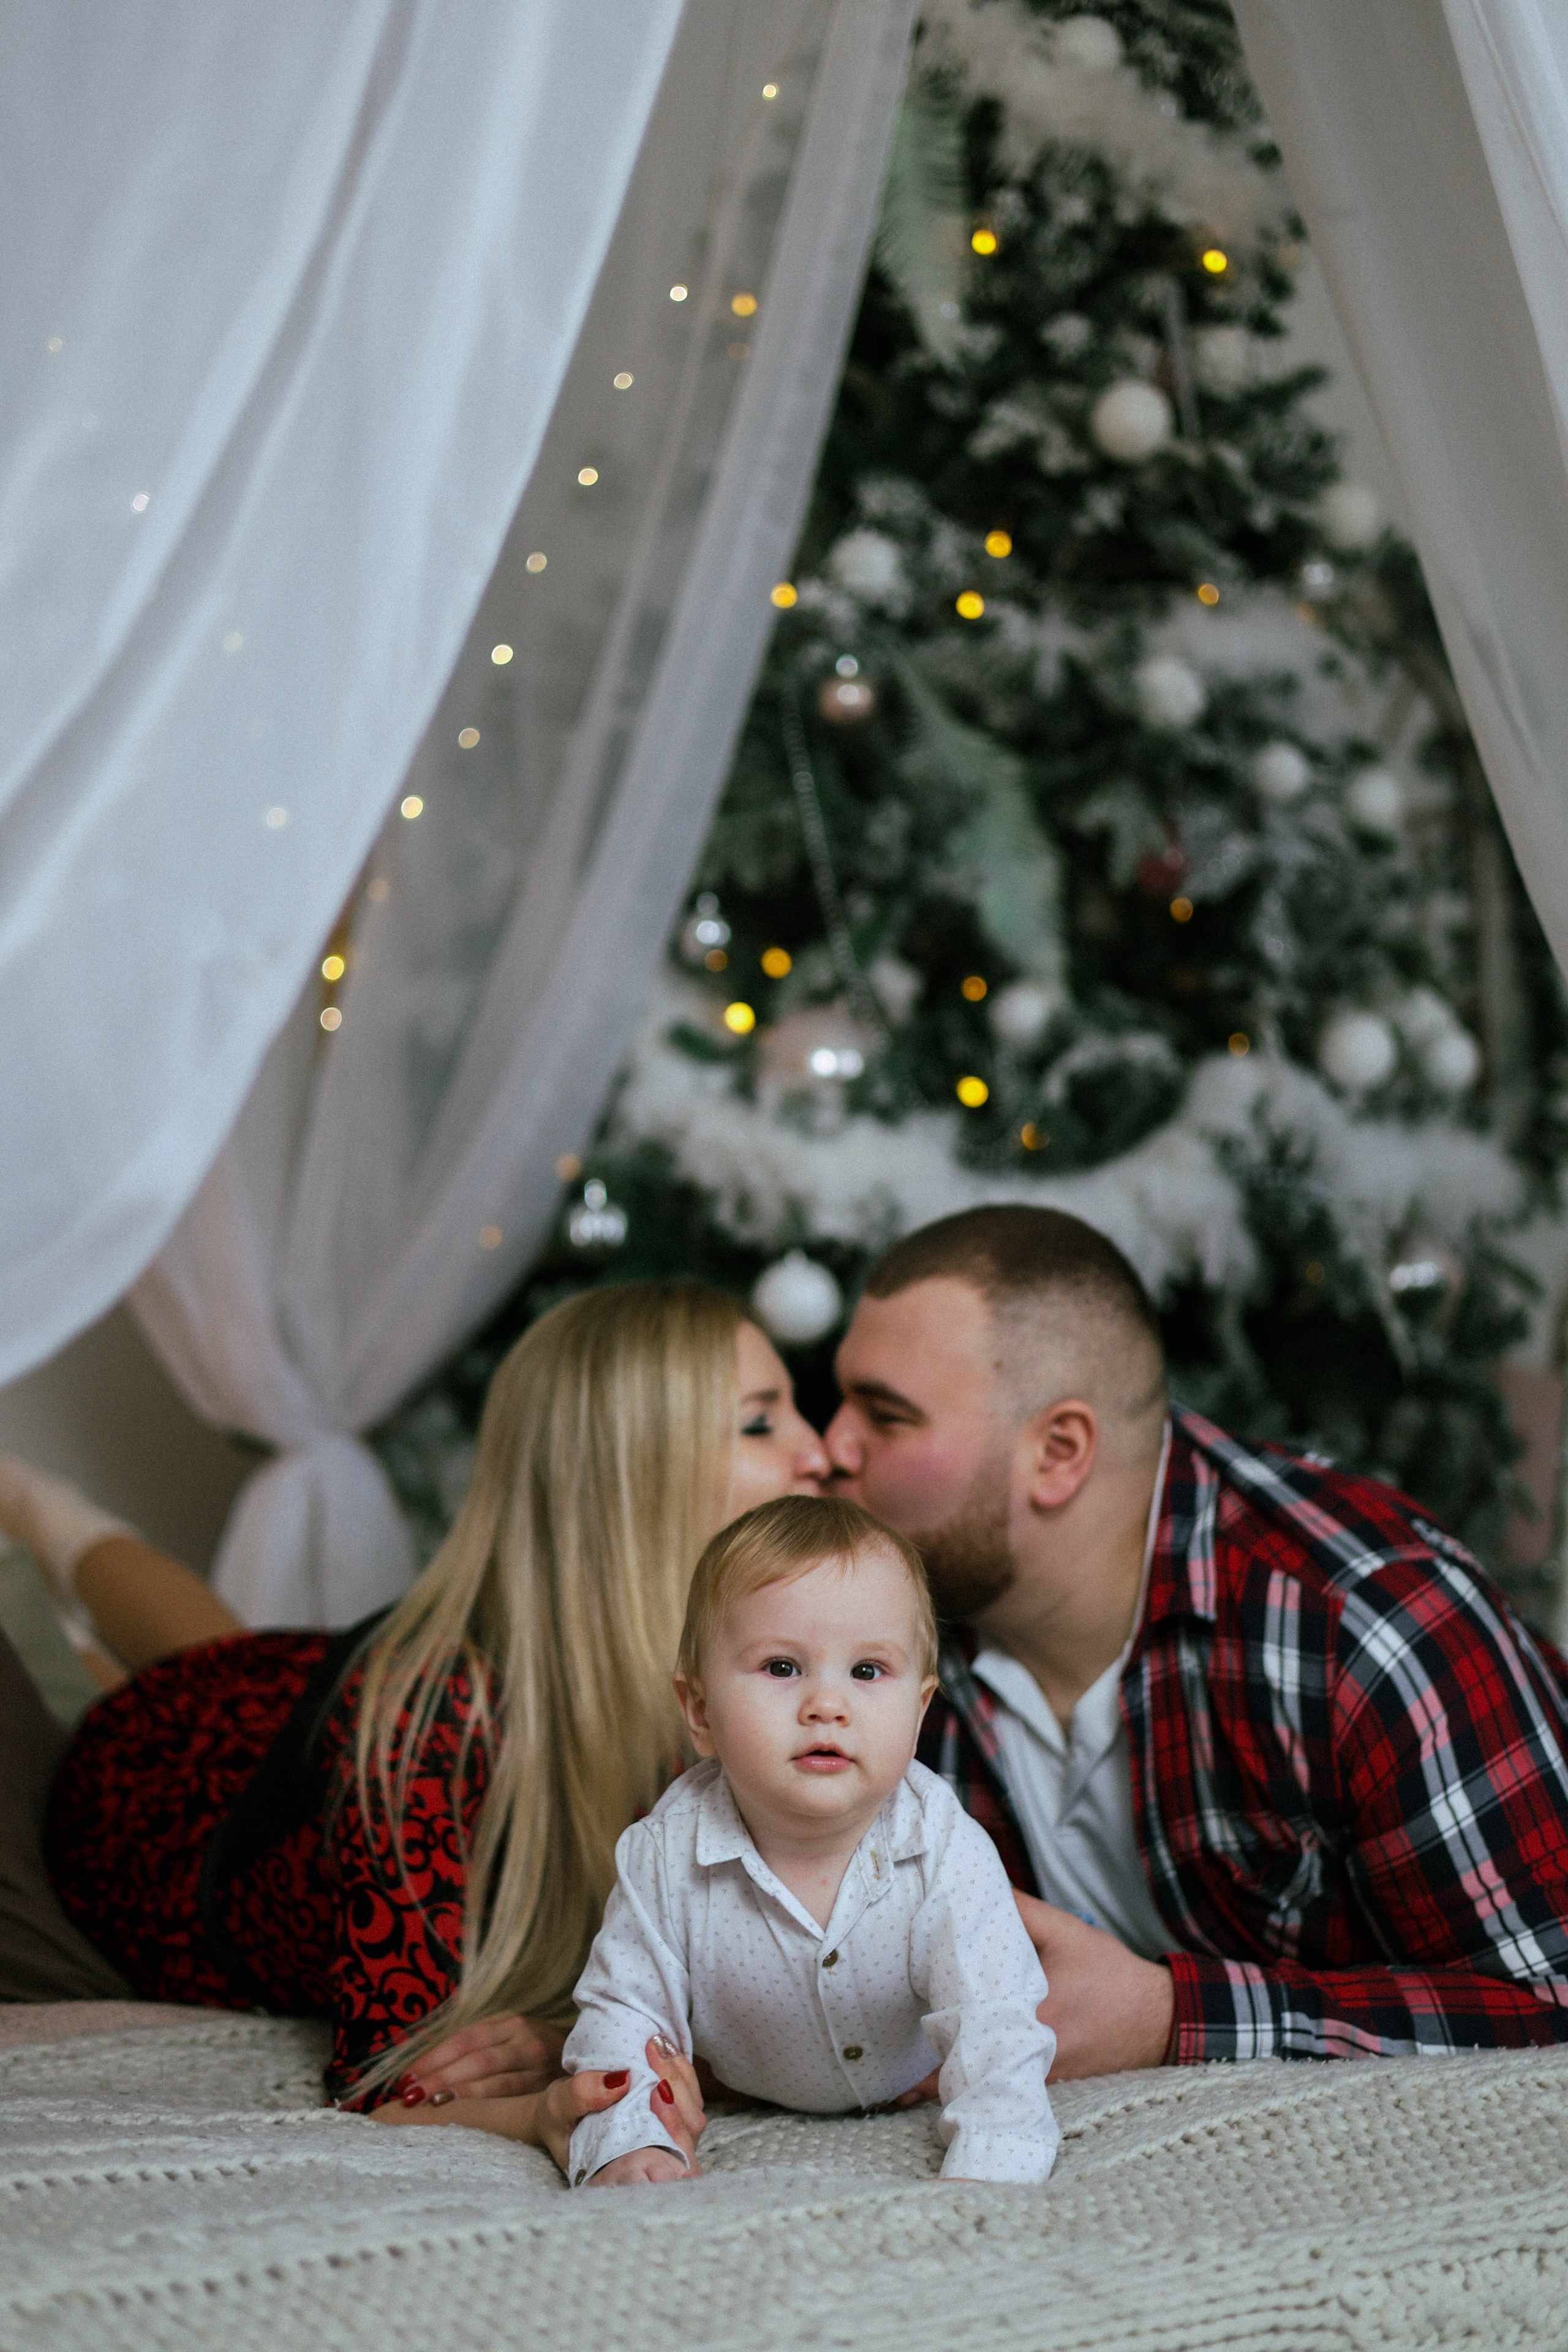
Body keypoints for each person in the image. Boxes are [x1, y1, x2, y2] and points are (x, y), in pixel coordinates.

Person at [0, 1282, 829, 2171]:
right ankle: (32, 1514)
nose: (819, 1453)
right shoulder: (436, 1728)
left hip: (296, 1698)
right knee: (105, 1681)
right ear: (638, 1473)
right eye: (759, 1424)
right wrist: (546, 2111)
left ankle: (53, 1536)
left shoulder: (740, 1693)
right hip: (154, 1791)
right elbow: (391, 2083)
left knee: (225, 1645)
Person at [822, 1205, 1568, 2075]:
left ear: (1058, 1453)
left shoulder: (1358, 1618)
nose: (828, 1445)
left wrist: (1172, 2018)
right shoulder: (888, 1609)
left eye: (885, 1415)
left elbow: (1551, 1998)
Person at [561, 1494, 1056, 2188]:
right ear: (700, 1712)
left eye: (866, 1671)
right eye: (782, 1668)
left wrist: (994, 2160)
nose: (827, 1703)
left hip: (907, 2079)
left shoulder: (942, 1845)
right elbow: (626, 2012)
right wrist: (632, 2140)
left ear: (918, 1711)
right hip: (747, 2088)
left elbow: (995, 2016)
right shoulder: (664, 1854)